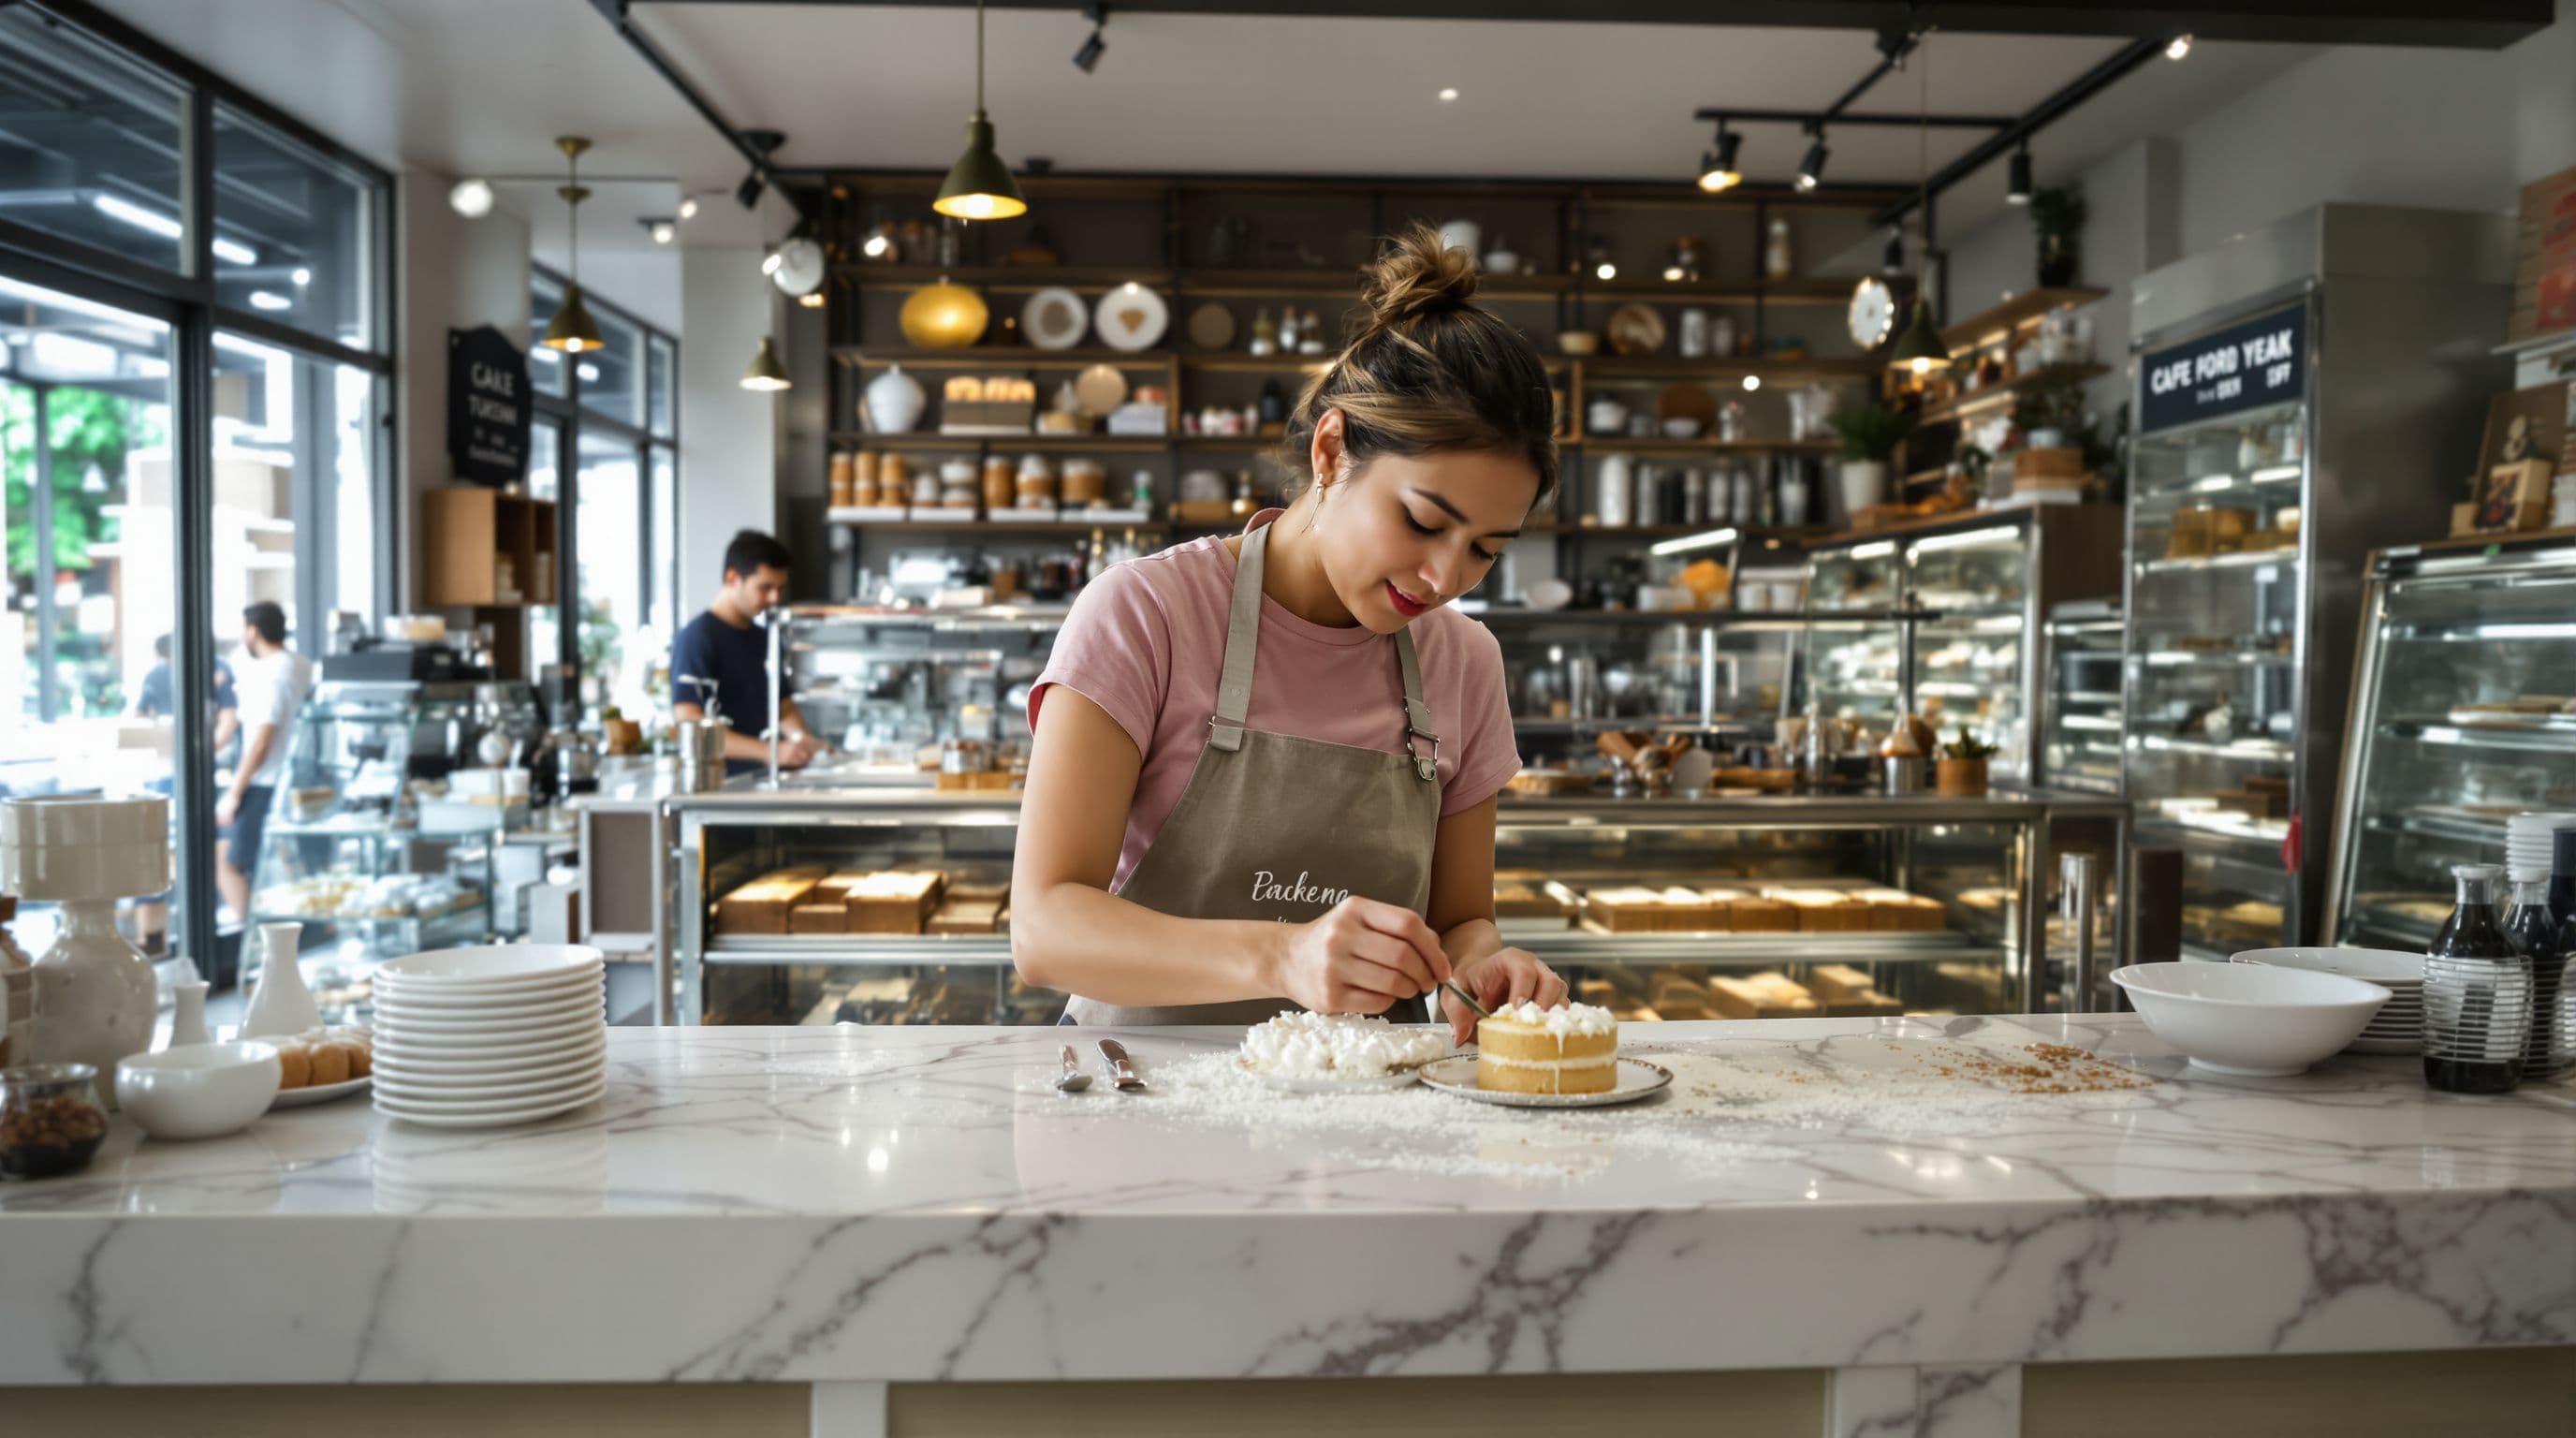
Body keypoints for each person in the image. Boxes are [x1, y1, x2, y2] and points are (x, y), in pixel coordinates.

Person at [1011, 225, 1567, 1044]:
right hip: (1138, 1101)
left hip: (1369, 1118)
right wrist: (1282, 958)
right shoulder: (1145, 615)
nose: (1447, 578)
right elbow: (1045, 929)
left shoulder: (1464, 661)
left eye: (1486, 549)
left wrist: (1484, 963)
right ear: (1333, 450)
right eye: (1422, 521)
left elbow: (1460, 922)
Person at [670, 529, 822, 774]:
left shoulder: (764, 639)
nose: (774, 598)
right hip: (720, 786)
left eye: (780, 588)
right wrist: (769, 751)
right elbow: (690, 720)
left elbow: (782, 709)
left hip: (763, 782)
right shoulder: (697, 638)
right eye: (765, 587)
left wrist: (803, 742)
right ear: (732, 578)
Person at [132, 633, 240, 955]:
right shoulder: (213, 668)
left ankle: (154, 946)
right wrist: (203, 751)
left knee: (158, 858)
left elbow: (140, 721)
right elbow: (228, 721)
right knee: (178, 855)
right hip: (180, 776)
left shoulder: (209, 669)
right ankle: (162, 944)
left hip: (175, 777)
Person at [217, 601, 313, 923]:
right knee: (293, 866)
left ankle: (256, 939)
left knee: (231, 866)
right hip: (297, 778)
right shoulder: (300, 664)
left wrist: (234, 792)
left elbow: (260, 742)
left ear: (253, 631)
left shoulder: (275, 672)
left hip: (265, 782)